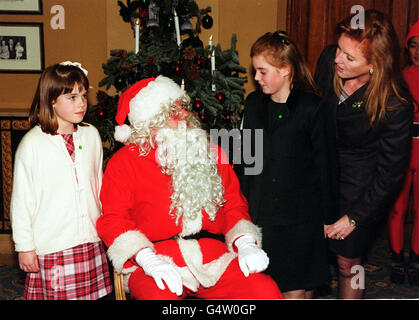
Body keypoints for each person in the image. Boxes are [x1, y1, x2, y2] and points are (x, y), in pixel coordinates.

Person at [96, 75, 283, 300]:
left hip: (213, 257)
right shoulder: (124, 162)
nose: (185, 115)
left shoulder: (211, 151)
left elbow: (233, 204)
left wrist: (245, 243)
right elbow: (114, 219)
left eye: (183, 107)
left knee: (264, 291)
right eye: (172, 112)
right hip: (156, 259)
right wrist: (147, 260)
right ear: (151, 121)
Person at [314, 10, 414, 299]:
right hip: (320, 177)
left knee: (348, 265)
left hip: (361, 191)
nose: (337, 60)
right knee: (309, 255)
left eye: (350, 57)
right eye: (339, 50)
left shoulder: (396, 104)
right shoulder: (328, 61)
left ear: (375, 64)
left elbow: (390, 174)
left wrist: (354, 217)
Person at [238, 31, 337, 299]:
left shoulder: (312, 108)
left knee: (295, 288)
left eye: (262, 71)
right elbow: (245, 160)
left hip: (300, 217)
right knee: (269, 285)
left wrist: (329, 218)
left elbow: (326, 167)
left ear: (285, 70)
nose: (256, 78)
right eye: (255, 70)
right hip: (263, 212)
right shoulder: (254, 104)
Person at [10, 62, 112, 300]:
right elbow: (22, 201)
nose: (81, 103)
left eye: (84, 96)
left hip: (91, 240)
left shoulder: (91, 135)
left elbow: (99, 187)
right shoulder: (32, 144)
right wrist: (25, 247)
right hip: (54, 246)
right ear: (51, 100)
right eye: (72, 96)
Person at [387, 19, 419, 286]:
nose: (418, 51)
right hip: (403, 147)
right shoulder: (398, 78)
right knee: (397, 207)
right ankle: (397, 257)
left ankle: (417, 257)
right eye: (413, 45)